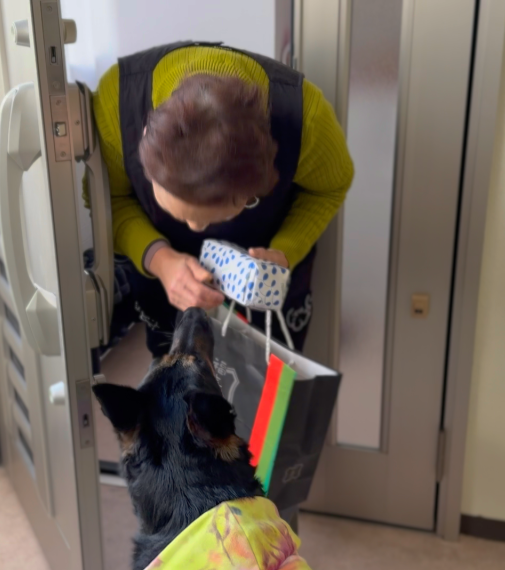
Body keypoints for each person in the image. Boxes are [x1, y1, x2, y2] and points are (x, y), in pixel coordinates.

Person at [91, 41, 354, 357]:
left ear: (258, 184)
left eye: (218, 215)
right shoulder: (117, 103)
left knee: (265, 385)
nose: (196, 229)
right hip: (165, 286)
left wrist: (285, 252)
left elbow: (329, 187)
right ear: (145, 137)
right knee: (177, 381)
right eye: (181, 212)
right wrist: (159, 260)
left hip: (263, 290)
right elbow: (110, 201)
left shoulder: (306, 120)